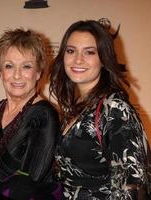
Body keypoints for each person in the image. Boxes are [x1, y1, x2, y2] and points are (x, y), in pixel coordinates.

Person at [49, 20, 150, 199]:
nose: (78, 59)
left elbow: (132, 187)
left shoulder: (115, 110)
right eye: (71, 51)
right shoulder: (76, 107)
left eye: (89, 52)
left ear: (104, 59)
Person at [0, 28, 61, 200]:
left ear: (38, 73)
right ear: (0, 71)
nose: (17, 75)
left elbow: (27, 184)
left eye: (26, 66)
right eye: (9, 66)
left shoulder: (44, 116)